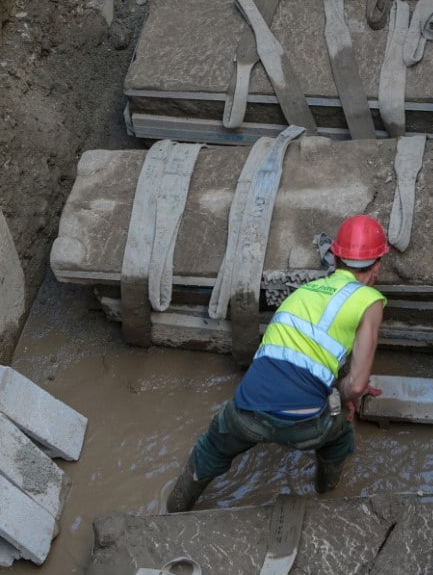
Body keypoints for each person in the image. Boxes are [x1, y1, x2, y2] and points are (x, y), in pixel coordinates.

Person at [166, 215, 389, 512]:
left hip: (246, 409)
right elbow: (358, 384)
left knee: (210, 450)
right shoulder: (369, 301)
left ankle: (174, 509)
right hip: (306, 425)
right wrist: (341, 398)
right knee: (338, 440)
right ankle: (326, 496)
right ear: (377, 266)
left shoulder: (304, 293)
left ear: (335, 259)